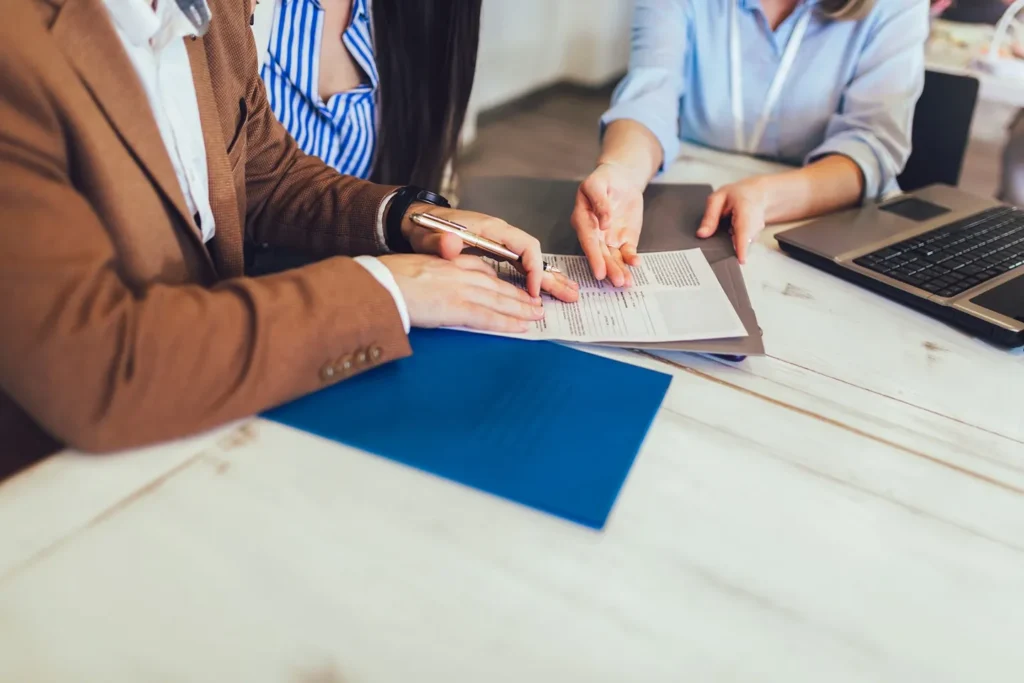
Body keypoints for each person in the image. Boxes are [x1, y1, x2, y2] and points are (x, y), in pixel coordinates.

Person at [0, 0, 577, 478]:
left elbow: (261, 167)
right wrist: (384, 290)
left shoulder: (214, 10)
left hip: (214, 421)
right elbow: (97, 364)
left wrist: (406, 217)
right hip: (64, 487)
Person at [572, 0, 929, 286]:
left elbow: (872, 145)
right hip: (689, 213)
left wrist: (765, 196)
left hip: (828, 221)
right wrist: (621, 171)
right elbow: (650, 96)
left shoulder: (897, 6)